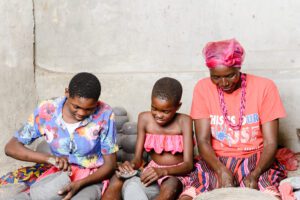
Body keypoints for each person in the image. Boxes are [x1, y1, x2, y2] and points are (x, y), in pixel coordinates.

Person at [180, 38, 287, 199]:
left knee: (267, 189)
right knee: (194, 189)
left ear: (239, 67)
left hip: (256, 158)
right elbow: (203, 141)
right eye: (215, 77)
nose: (223, 83)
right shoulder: (202, 88)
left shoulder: (265, 87)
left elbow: (271, 142)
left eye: (230, 75)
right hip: (215, 159)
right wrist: (220, 170)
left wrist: (255, 174)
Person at [1, 72, 118, 200]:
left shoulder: (105, 114)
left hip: (91, 177)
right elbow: (11, 147)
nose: (82, 113)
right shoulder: (47, 110)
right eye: (76, 106)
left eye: (89, 109)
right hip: (58, 174)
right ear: (67, 93)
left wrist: (79, 184)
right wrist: (49, 159)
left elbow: (110, 164)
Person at [103, 77, 194, 200]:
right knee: (118, 179)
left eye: (165, 111)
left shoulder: (184, 121)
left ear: (178, 106)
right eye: (154, 108)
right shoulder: (144, 118)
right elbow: (137, 159)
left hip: (175, 172)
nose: (158, 115)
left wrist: (163, 172)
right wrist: (130, 166)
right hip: (151, 169)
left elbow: (188, 164)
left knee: (170, 187)